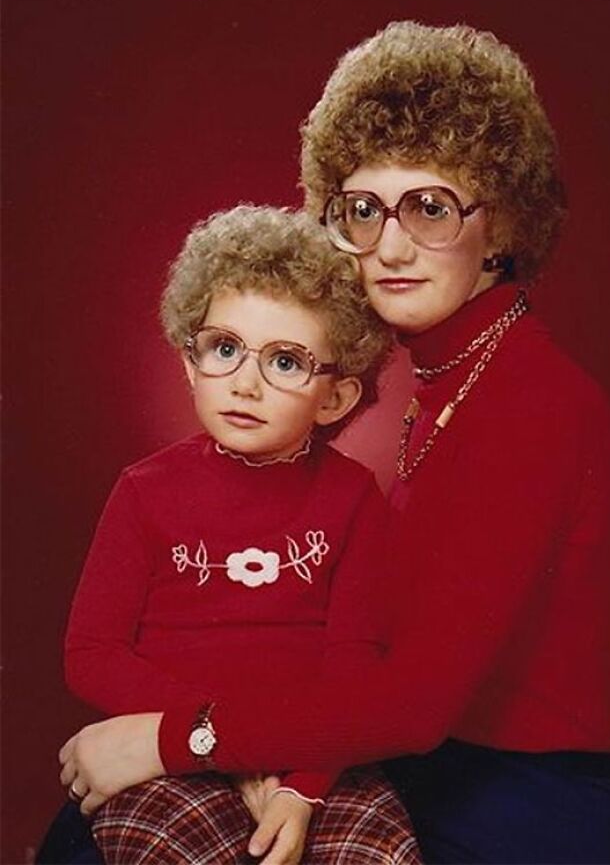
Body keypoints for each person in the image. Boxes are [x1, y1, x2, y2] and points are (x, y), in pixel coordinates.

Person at [58, 21, 610, 864]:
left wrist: (173, 738)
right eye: (365, 210)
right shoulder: (451, 379)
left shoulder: (536, 404)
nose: (391, 247)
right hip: (422, 769)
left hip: (521, 812)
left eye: (431, 208)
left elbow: (409, 703)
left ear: (503, 224)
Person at [42, 205, 421, 865]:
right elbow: (92, 653)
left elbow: (354, 668)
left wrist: (300, 788)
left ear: (334, 398)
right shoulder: (144, 491)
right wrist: (212, 737)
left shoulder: (354, 498)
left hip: (314, 761)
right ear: (191, 363)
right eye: (224, 349)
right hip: (169, 752)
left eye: (286, 361)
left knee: (380, 851)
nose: (245, 383)